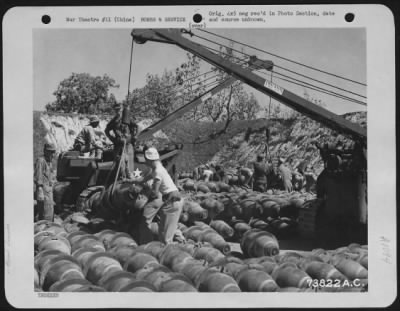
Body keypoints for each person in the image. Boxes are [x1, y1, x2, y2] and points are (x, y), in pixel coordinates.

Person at [137, 147, 183, 245]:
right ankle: (178, 243)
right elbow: (143, 179)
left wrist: (144, 193)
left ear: (149, 160)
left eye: (146, 160)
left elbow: (155, 192)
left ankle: (171, 255)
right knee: (163, 233)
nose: (145, 163)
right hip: (170, 201)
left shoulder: (157, 171)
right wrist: (131, 181)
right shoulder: (158, 169)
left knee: (166, 238)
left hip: (172, 202)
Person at [105, 103, 139, 179]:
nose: (118, 111)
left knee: (129, 165)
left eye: (119, 109)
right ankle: (122, 179)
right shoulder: (114, 121)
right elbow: (106, 130)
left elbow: (136, 126)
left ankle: (130, 180)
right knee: (120, 164)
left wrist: (135, 136)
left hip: (128, 145)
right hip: (118, 146)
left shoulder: (127, 118)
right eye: (116, 110)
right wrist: (112, 139)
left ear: (122, 109)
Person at [34, 142, 57, 221]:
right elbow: (38, 176)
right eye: (51, 152)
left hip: (48, 193)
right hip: (43, 193)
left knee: (50, 215)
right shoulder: (41, 161)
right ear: (46, 151)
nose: (53, 155)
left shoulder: (49, 163)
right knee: (45, 216)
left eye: (54, 152)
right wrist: (40, 191)